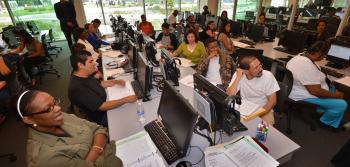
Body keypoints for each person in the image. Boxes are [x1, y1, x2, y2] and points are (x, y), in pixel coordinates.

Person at [16, 90, 123, 167]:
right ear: (29, 120)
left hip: (113, 152)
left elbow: (98, 128)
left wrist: (94, 152)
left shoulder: (57, 116)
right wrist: (101, 146)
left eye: (54, 102)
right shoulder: (42, 159)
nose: (58, 108)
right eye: (48, 108)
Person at [286, 41, 347, 129]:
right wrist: (335, 95)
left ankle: (321, 110)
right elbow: (315, 91)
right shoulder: (306, 66)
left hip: (296, 88)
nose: (324, 58)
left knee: (332, 87)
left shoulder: (301, 56)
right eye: (324, 55)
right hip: (303, 94)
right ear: (319, 54)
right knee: (342, 104)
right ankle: (325, 122)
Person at [68, 50, 137, 127]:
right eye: (91, 61)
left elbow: (98, 84)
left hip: (105, 101)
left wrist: (115, 82)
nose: (94, 63)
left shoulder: (84, 73)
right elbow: (102, 106)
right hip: (102, 117)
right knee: (134, 112)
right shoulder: (78, 88)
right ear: (80, 65)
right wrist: (125, 100)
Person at [226, 55, 280, 125]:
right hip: (245, 109)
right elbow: (229, 95)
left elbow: (272, 102)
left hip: (264, 110)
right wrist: (238, 77)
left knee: (261, 132)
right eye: (256, 68)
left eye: (260, 65)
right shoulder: (239, 75)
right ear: (246, 71)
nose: (261, 69)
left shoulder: (268, 76)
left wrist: (256, 115)